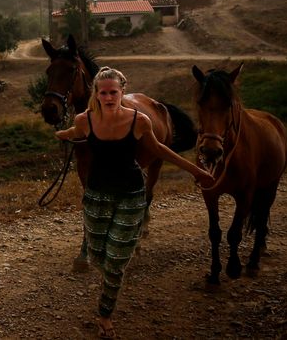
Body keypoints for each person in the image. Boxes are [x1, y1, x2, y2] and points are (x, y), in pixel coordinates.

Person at [54, 66, 214, 339]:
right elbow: (75, 132)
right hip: (96, 196)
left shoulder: (139, 121)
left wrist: (196, 170)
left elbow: (159, 149)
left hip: (130, 194)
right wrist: (64, 135)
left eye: (113, 91)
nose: (108, 96)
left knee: (116, 261)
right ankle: (109, 278)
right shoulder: (85, 120)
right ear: (97, 93)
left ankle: (105, 315)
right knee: (97, 255)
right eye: (103, 92)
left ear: (122, 91)